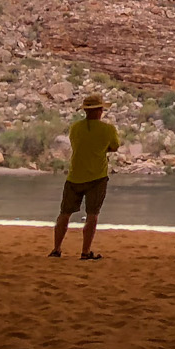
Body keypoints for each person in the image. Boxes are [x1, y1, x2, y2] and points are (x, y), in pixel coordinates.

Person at [51, 95, 120, 259]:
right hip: (97, 177)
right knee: (92, 215)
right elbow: (114, 147)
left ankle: (56, 249)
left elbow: (77, 145)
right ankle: (85, 251)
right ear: (99, 111)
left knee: (64, 214)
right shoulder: (108, 129)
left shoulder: (75, 128)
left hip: (74, 175)